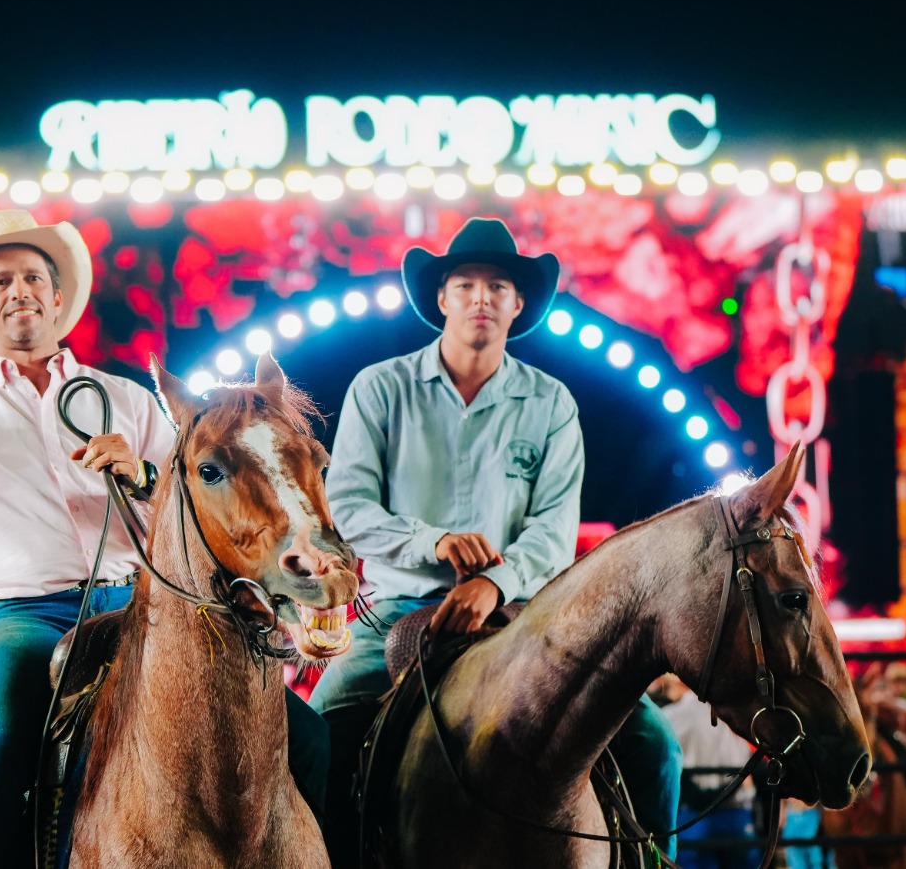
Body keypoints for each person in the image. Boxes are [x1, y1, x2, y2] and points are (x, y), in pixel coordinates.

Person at [0, 209, 328, 869]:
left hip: (144, 608)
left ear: (56, 298)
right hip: (19, 616)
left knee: (305, 739)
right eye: (1, 283)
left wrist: (145, 472)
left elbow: (194, 508)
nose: (18, 290)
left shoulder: (129, 400)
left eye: (31, 279)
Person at [311, 217, 682, 849]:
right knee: (319, 736)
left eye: (497, 286)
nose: (481, 297)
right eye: (466, 284)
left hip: (522, 615)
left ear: (517, 304)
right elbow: (346, 505)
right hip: (399, 610)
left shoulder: (552, 404)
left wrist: (493, 580)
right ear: (442, 298)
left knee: (655, 748)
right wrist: (432, 541)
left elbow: (554, 529)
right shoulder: (381, 389)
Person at [657, 674, 758, 869]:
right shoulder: (738, 715)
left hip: (694, 814)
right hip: (734, 809)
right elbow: (746, 758)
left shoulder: (670, 717)